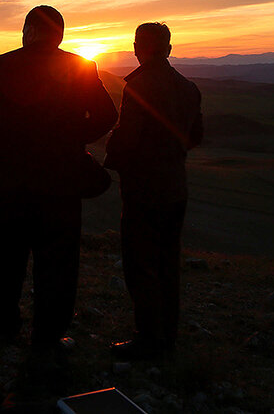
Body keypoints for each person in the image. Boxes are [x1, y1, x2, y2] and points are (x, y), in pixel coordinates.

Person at [0, 5, 117, 350]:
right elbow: (106, 114)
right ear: (60, 34)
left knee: (6, 253)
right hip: (61, 177)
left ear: (28, 30)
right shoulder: (80, 66)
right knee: (57, 259)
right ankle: (49, 334)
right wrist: (74, 137)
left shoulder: (7, 62)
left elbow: (8, 106)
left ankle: (4, 322)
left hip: (11, 175)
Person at [104, 22, 203, 360]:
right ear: (169, 49)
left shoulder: (139, 86)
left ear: (137, 47)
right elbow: (196, 136)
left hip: (144, 188)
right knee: (167, 263)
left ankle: (147, 339)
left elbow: (127, 139)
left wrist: (109, 162)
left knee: (140, 263)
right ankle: (167, 336)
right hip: (176, 186)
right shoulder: (189, 87)